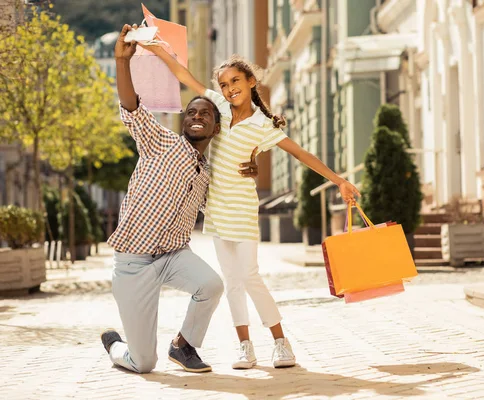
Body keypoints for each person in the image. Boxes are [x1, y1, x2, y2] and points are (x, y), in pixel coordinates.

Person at [144, 44, 360, 370]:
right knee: (231, 281)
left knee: (250, 276)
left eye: (236, 81)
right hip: (216, 212)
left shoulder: (264, 125)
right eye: (225, 84)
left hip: (243, 210)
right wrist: (158, 49)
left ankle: (280, 342)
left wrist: (338, 180)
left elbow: (301, 154)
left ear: (251, 82)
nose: (230, 89)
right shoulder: (217, 106)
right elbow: (183, 75)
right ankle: (245, 346)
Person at [99, 24, 259, 374]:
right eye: (191, 112)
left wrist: (251, 166)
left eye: (206, 114)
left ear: (216, 128)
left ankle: (183, 346)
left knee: (211, 285)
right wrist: (122, 63)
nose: (197, 115)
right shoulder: (160, 142)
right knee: (142, 363)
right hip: (133, 264)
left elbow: (231, 189)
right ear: (183, 121)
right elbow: (131, 106)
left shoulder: (208, 172)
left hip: (173, 257)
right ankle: (116, 346)